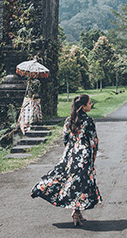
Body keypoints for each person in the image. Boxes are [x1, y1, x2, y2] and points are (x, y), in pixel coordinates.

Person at [30, 94, 102, 226]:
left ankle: (77, 212)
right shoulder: (88, 121)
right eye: (89, 103)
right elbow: (94, 142)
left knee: (66, 179)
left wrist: (69, 152)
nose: (91, 105)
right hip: (83, 156)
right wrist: (93, 157)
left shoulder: (69, 120)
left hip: (70, 154)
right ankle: (76, 213)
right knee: (81, 184)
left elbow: (65, 138)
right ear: (83, 106)